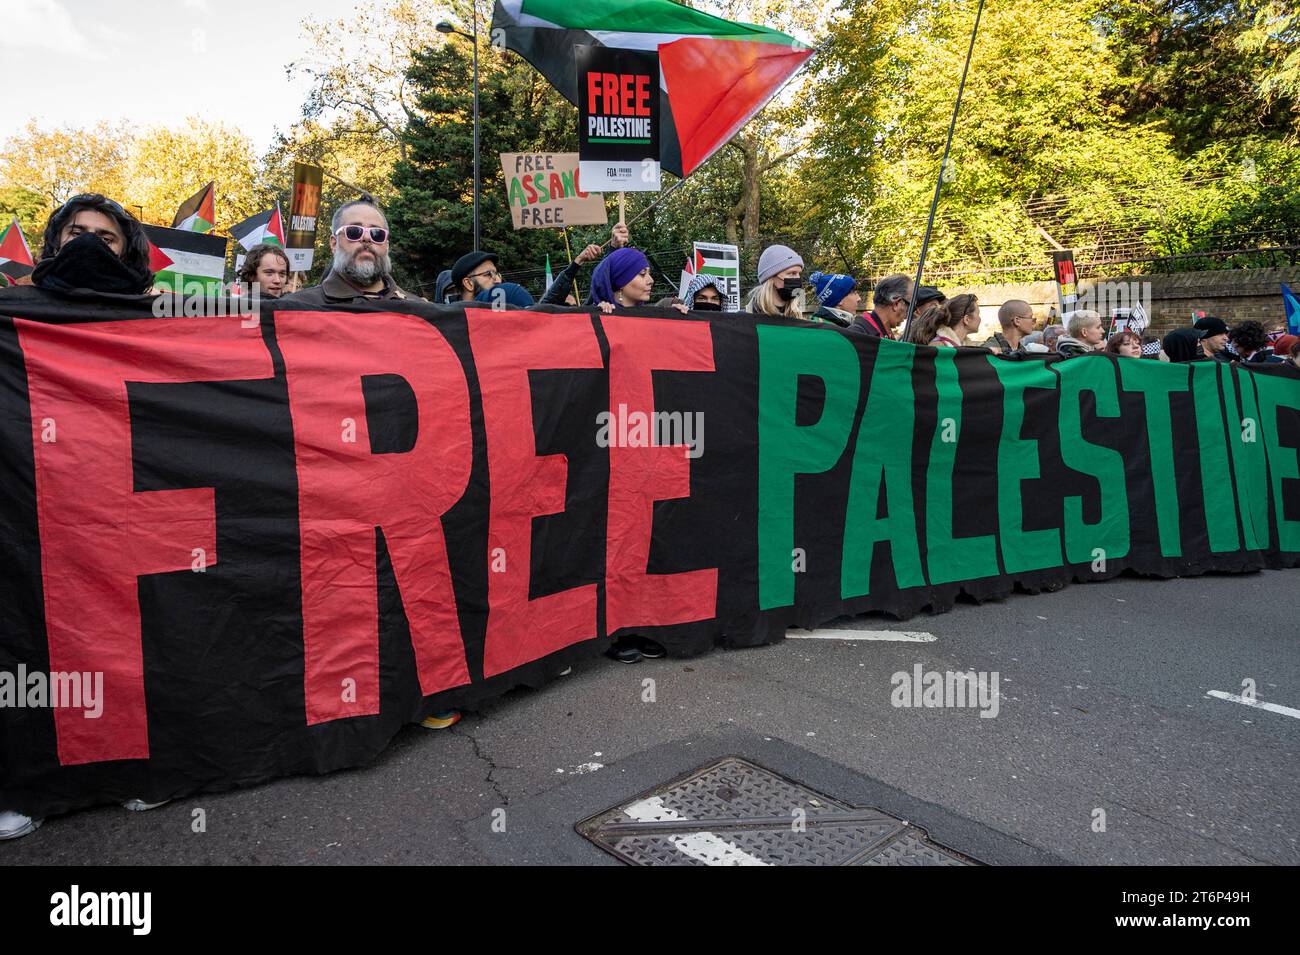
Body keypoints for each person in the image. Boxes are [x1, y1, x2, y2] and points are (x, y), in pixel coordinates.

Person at [0, 193, 154, 300]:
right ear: (56, 243)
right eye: (76, 234)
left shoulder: (153, 315)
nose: (89, 242)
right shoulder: (15, 306)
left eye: (105, 239)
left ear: (126, 252)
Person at [282, 196, 416, 305]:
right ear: (334, 243)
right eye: (354, 232)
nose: (366, 238)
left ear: (386, 245)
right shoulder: (298, 308)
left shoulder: (418, 311)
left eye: (377, 234)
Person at [538, 223, 631, 306]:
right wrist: (578, 261)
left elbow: (599, 285)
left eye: (574, 307)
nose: (572, 310)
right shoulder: (546, 315)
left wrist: (614, 247)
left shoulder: (583, 316)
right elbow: (545, 306)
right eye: (566, 306)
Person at [591, 247, 686, 314]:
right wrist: (597, 315)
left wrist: (675, 317)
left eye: (649, 273)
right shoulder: (598, 315)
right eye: (642, 274)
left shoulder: (652, 317)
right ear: (621, 282)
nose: (651, 280)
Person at [745, 244, 804, 319]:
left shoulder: (798, 318)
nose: (798, 278)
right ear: (771, 277)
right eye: (792, 273)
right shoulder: (745, 321)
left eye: (799, 274)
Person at [850, 273, 912, 339]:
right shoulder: (857, 336)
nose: (909, 314)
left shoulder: (881, 332)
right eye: (910, 306)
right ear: (896, 304)